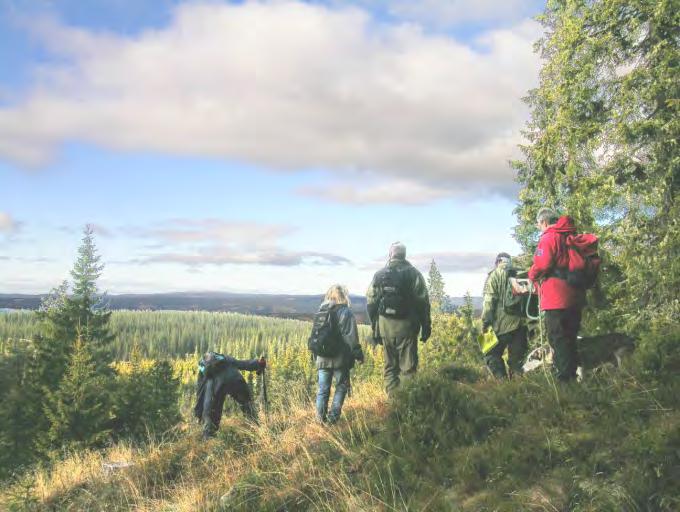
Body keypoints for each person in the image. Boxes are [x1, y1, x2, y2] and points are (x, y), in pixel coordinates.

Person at [528, 208, 586, 381]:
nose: (539, 227)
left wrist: (531, 275)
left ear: (544, 222)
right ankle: (575, 377)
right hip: (575, 297)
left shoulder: (549, 237)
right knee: (570, 338)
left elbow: (542, 264)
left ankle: (564, 381)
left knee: (557, 339)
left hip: (556, 299)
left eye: (538, 224)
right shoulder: (570, 236)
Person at [366, 242, 431, 395]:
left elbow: (370, 301)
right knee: (408, 370)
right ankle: (407, 405)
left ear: (390, 255)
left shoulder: (379, 274)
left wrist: (375, 325)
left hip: (385, 328)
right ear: (404, 255)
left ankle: (392, 405)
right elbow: (423, 302)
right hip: (407, 328)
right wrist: (426, 326)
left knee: (389, 368)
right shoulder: (413, 274)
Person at [313, 284, 364, 424]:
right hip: (339, 359)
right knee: (341, 387)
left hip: (322, 357)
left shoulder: (321, 311)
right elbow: (351, 337)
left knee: (323, 389)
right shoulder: (346, 312)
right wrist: (358, 354)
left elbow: (315, 335)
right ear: (343, 296)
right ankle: (332, 420)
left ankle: (319, 421)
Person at [194, 351, 266, 438]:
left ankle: (208, 441)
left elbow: (202, 394)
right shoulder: (226, 359)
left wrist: (199, 413)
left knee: (211, 415)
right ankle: (257, 430)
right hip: (236, 380)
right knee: (247, 404)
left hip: (218, 387)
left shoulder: (206, 373)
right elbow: (242, 364)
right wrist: (257, 363)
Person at [481, 253, 528, 378]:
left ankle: (502, 384)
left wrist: (485, 323)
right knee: (517, 361)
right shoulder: (521, 274)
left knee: (490, 354)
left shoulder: (494, 275)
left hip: (499, 325)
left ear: (497, 262)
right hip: (521, 325)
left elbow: (489, 302)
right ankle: (520, 387)